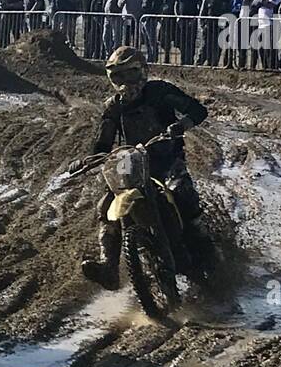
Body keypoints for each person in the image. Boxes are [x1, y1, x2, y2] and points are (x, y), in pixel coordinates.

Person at [71, 46, 211, 291]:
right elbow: (103, 142)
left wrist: (182, 125)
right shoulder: (112, 106)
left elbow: (198, 110)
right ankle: (109, 267)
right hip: (132, 164)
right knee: (105, 205)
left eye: (130, 74)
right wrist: (87, 160)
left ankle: (204, 244)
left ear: (143, 72)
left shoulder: (161, 92)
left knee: (182, 192)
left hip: (167, 161)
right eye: (118, 76)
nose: (125, 82)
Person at [199, 0, 232, 67]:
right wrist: (202, 24)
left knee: (218, 47)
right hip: (209, 26)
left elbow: (230, 11)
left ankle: (214, 64)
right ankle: (199, 63)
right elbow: (203, 12)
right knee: (205, 46)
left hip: (222, 27)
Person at [175, 0, 202, 66]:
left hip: (192, 20)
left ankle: (190, 60)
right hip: (182, 21)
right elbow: (176, 5)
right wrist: (177, 16)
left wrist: (196, 17)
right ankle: (183, 59)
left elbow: (200, 6)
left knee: (191, 41)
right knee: (182, 40)